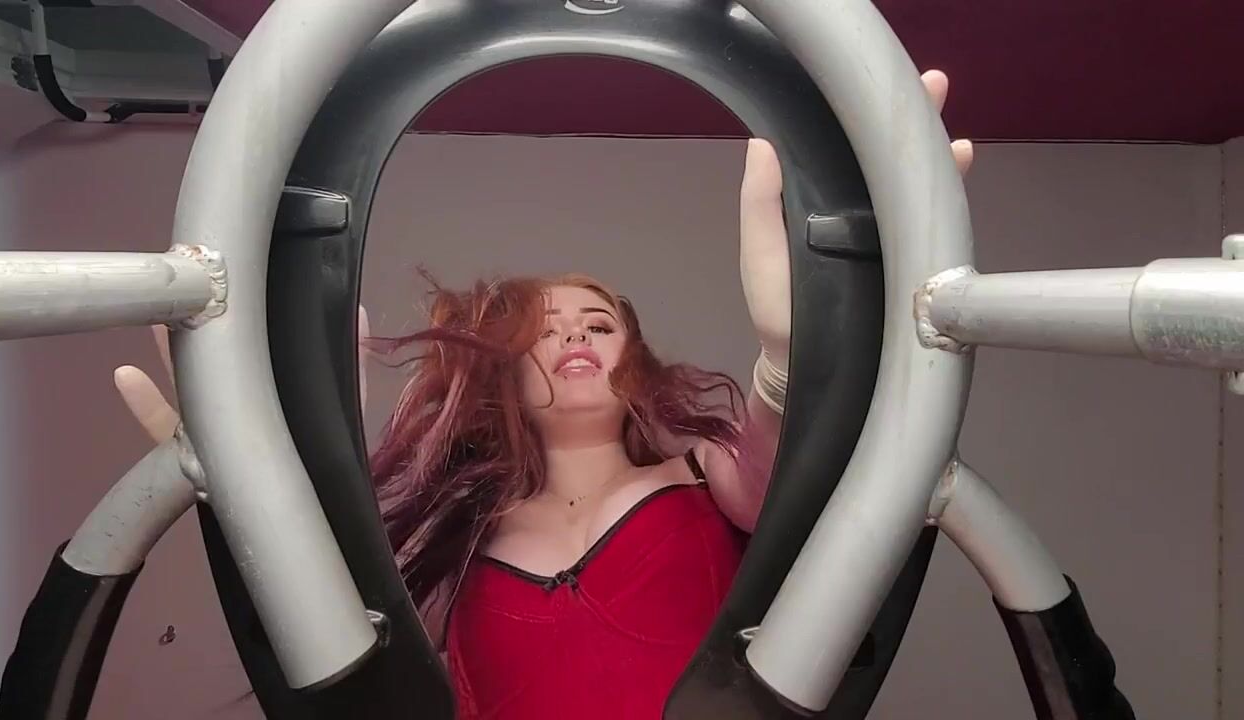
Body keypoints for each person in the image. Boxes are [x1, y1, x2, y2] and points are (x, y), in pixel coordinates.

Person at [114, 69, 973, 720]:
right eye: (543, 329)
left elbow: (792, 470)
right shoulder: (450, 527)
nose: (574, 338)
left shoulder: (709, 473)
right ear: (501, 372)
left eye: (599, 324)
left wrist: (793, 353)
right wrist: (256, 465)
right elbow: (325, 610)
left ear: (635, 358)